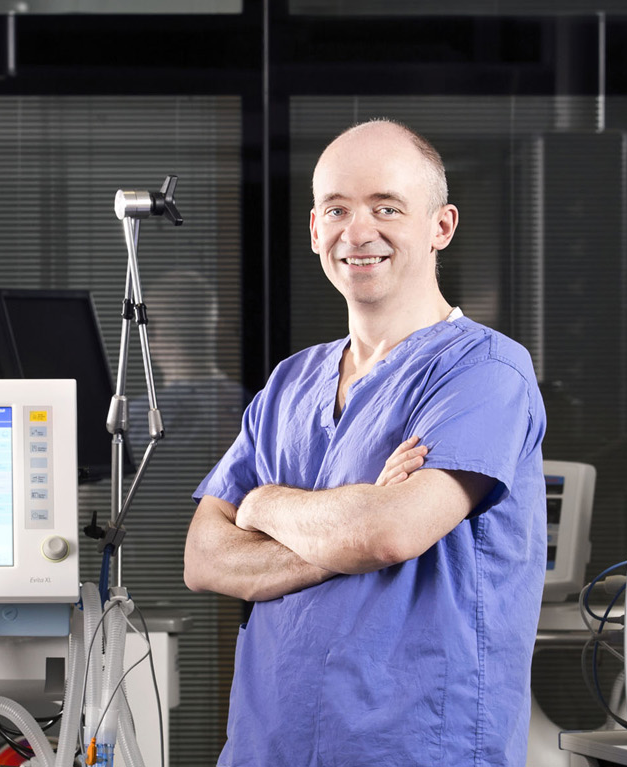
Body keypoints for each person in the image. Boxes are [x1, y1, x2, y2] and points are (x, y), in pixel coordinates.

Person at [184, 119, 547, 766]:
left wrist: (263, 506)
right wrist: (344, 533)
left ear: (441, 226)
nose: (358, 231)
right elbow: (203, 557)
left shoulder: (485, 372)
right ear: (315, 229)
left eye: (387, 207)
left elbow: (389, 534)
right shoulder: (289, 384)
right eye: (337, 209)